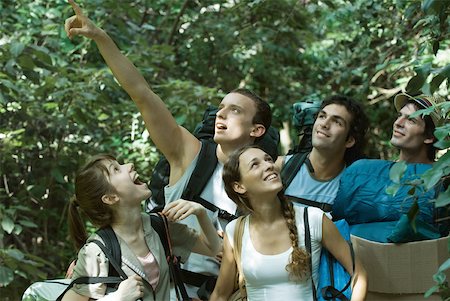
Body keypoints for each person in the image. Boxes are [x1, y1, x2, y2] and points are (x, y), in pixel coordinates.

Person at [64, 1, 272, 298]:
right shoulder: (189, 153)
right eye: (221, 108)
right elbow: (142, 94)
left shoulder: (266, 175)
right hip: (167, 288)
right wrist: (101, 38)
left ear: (257, 130)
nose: (221, 115)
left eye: (235, 111)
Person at [210, 145, 367, 301]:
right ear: (239, 186)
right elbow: (220, 295)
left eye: (268, 159)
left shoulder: (312, 219)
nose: (269, 165)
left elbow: (359, 274)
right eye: (255, 164)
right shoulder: (235, 230)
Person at [61, 154, 221, 301]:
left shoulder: (160, 227)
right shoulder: (97, 251)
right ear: (110, 198)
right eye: (116, 169)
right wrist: (117, 298)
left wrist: (200, 213)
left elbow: (213, 248)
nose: (129, 165)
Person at [332, 92, 448, 242]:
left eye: (411, 120)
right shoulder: (370, 173)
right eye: (399, 115)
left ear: (429, 137)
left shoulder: (442, 181)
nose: (398, 123)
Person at [276, 95, 369, 213]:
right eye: (322, 116)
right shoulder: (281, 167)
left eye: (337, 122)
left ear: (349, 140)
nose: (324, 124)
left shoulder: (352, 187)